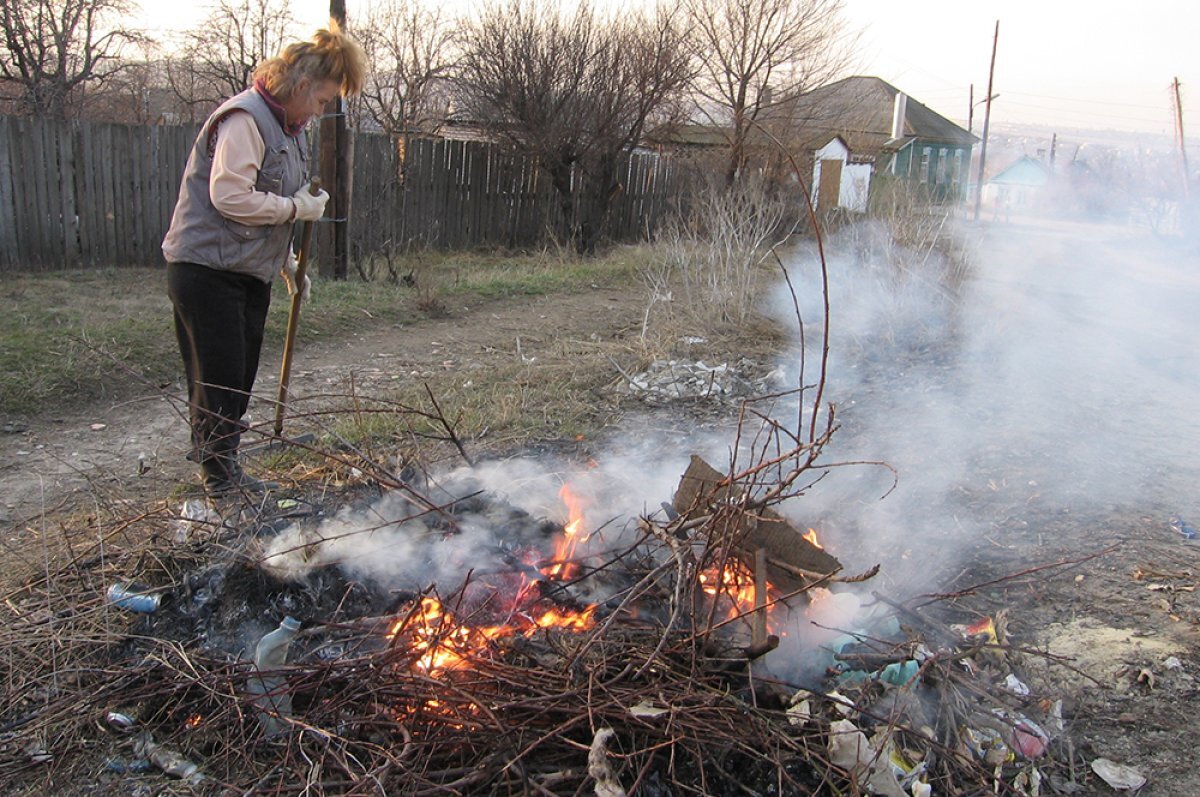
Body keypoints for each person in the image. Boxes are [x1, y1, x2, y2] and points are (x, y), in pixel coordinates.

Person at [163, 26, 367, 497]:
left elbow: (269, 204)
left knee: (238, 373)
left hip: (245, 270)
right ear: (300, 88)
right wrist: (298, 209)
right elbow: (230, 196)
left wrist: (290, 264)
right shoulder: (245, 120)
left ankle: (219, 458)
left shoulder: (288, 130)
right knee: (221, 376)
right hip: (206, 270)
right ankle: (220, 480)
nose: (319, 113)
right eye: (320, 101)